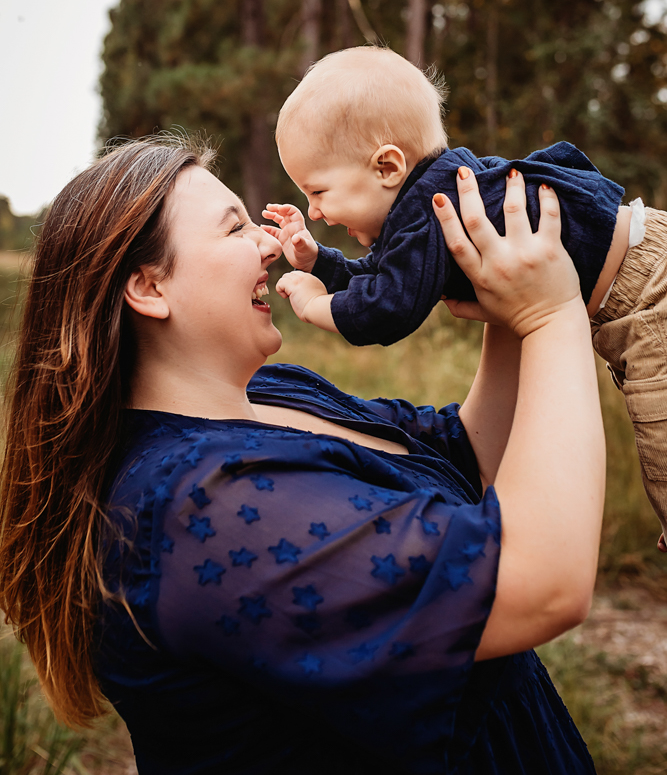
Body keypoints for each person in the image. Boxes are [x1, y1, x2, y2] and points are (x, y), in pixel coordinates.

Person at [0, 134, 605, 774]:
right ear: (150, 287)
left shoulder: (265, 393)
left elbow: (465, 456)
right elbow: (539, 583)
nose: (267, 242)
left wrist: (508, 309)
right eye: (236, 229)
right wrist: (551, 314)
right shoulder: (200, 509)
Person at [265, 45, 667, 547]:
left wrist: (312, 304)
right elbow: (378, 275)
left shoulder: (432, 208)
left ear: (387, 167)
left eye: (318, 191)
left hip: (649, 294)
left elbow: (387, 308)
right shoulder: (424, 206)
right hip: (642, 270)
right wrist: (318, 262)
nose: (315, 211)